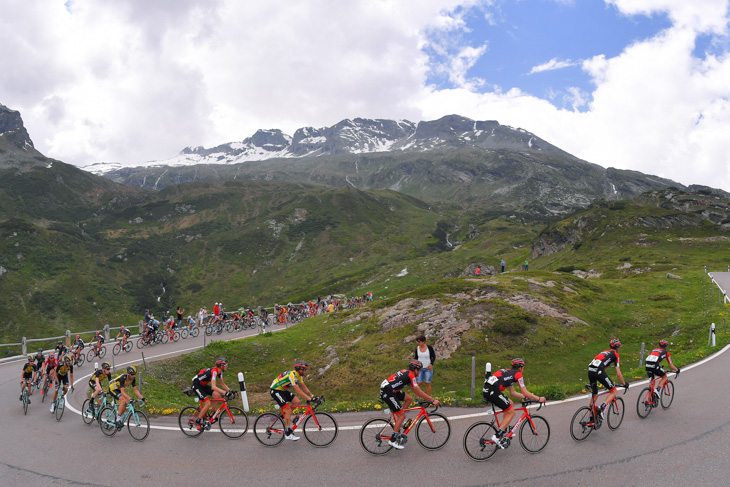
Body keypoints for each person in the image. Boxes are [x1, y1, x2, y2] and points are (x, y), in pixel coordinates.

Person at [482, 358, 545, 447]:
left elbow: (513, 393)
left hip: (488, 390)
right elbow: (525, 392)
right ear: (520, 368)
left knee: (510, 403)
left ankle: (502, 431)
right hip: (493, 392)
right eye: (523, 368)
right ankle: (496, 437)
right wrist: (538, 398)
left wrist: (525, 397)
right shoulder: (518, 375)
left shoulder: (509, 373)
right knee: (512, 412)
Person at [380, 360, 441, 450]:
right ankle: (393, 440)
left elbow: (413, 389)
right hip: (388, 392)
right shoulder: (411, 375)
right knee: (402, 416)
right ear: (415, 369)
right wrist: (432, 400)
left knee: (409, 399)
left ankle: (399, 421)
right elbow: (418, 391)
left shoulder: (407, 373)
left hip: (390, 390)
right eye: (419, 370)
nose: (420, 372)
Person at [270, 361, 317, 441]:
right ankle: (287, 433)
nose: (306, 371)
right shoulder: (292, 375)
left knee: (297, 402)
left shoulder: (299, 376)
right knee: (288, 409)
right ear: (300, 370)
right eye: (305, 369)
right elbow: (298, 391)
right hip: (275, 390)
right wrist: (310, 399)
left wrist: (312, 396)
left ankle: (283, 415)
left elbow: (304, 386)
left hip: (282, 390)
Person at [588, 339, 628, 419]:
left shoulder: (604, 352)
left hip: (590, 371)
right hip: (598, 371)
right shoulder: (615, 355)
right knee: (614, 391)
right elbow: (618, 373)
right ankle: (601, 408)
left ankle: (591, 417)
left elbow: (600, 365)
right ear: (617, 348)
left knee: (595, 394)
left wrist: (606, 382)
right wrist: (624, 384)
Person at [191, 358, 234, 431]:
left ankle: (212, 414)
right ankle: (197, 421)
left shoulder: (220, 372)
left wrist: (231, 390)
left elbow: (222, 384)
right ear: (221, 366)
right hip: (197, 385)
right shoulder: (214, 372)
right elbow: (213, 386)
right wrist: (225, 392)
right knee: (207, 404)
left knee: (217, 395)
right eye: (226, 365)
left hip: (203, 385)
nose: (227, 366)